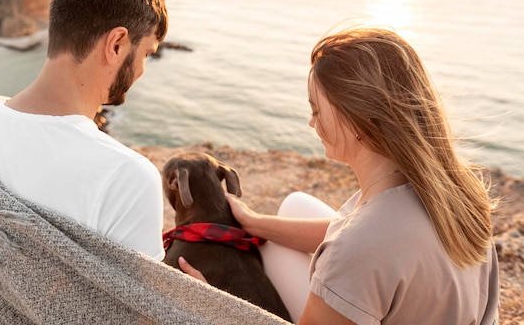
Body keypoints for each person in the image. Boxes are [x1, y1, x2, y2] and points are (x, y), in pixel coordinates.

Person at [180, 25, 500, 324]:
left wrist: (217, 307)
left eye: (317, 111)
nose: (311, 123)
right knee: (294, 206)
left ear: (358, 118)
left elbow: (361, 247)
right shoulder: (454, 188)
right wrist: (254, 223)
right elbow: (369, 240)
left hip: (361, 262)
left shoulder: (357, 248)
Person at [0, 0, 168, 260]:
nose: (142, 70)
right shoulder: (127, 176)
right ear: (117, 44)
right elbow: (139, 307)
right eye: (147, 53)